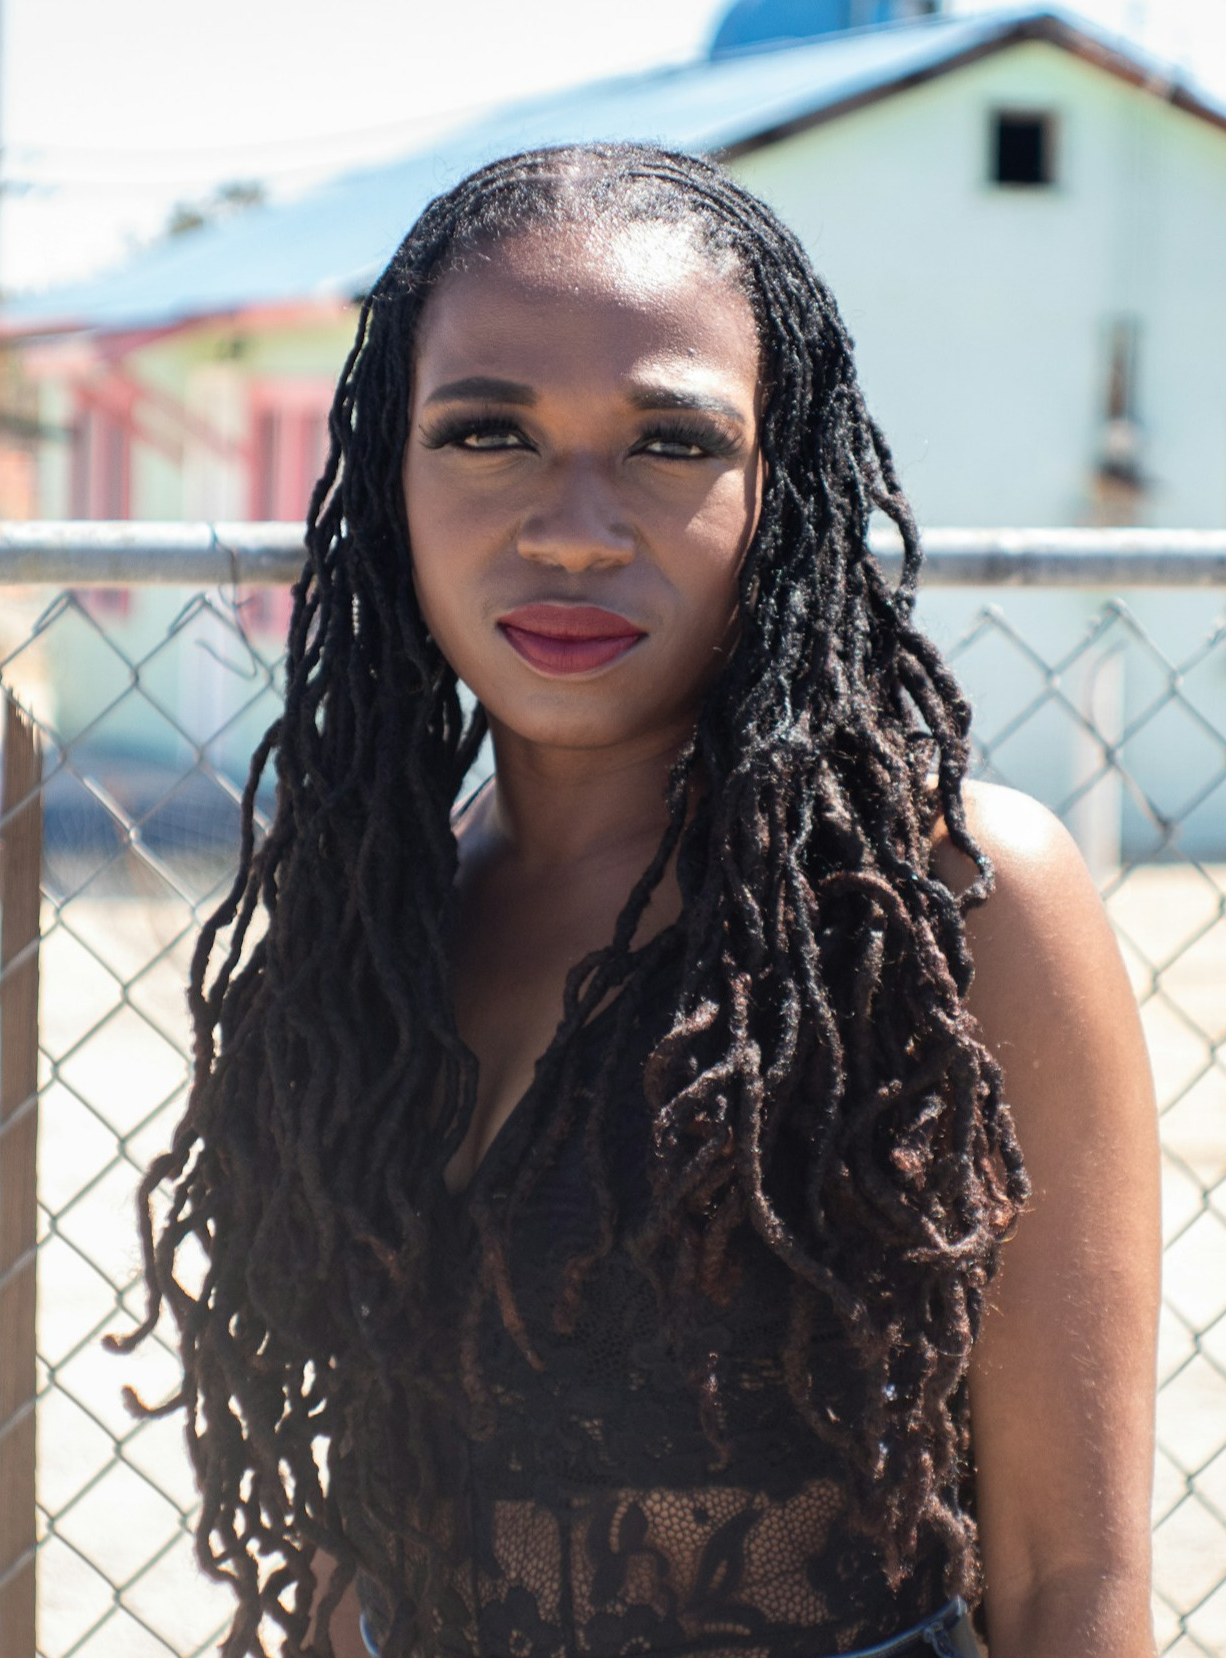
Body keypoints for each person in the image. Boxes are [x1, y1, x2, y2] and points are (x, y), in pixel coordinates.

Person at [117, 145, 1160, 1658]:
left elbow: (1078, 1577)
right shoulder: (381, 925)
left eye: (671, 443)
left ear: (780, 486)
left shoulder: (950, 907)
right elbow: (375, 1532)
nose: (575, 525)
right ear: (387, 480)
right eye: (489, 432)